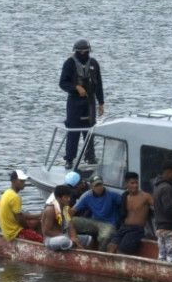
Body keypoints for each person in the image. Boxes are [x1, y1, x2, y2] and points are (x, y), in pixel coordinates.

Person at [59, 39, 105, 169]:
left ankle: (90, 158)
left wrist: (101, 102)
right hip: (74, 102)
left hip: (89, 102)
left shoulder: (94, 63)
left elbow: (99, 84)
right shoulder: (69, 63)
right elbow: (63, 83)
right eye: (81, 52)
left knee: (90, 129)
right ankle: (69, 159)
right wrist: (76, 88)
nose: (84, 54)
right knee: (73, 130)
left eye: (86, 52)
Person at [108, 172, 154, 255]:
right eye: (132, 183)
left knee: (121, 252)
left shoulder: (146, 197)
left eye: (136, 183)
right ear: (126, 184)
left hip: (136, 230)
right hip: (124, 228)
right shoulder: (125, 197)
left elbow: (159, 206)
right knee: (110, 247)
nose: (135, 185)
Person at [70, 174, 120, 250]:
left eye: (100, 184)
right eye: (96, 185)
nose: (99, 187)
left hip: (109, 223)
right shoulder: (87, 195)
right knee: (71, 221)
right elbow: (73, 210)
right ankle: (72, 244)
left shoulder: (113, 194)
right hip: (94, 221)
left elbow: (125, 204)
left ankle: (100, 254)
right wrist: (62, 220)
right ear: (91, 187)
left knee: (104, 237)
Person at [40, 185, 92, 251]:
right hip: (50, 239)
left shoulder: (65, 209)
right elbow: (47, 231)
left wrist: (74, 237)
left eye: (69, 196)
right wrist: (66, 238)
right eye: (66, 197)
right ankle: (73, 246)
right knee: (63, 241)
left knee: (89, 239)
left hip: (65, 236)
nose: (69, 199)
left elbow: (70, 226)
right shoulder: (51, 210)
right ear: (58, 198)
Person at [0, 170, 43, 242]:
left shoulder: (7, 193)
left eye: (24, 181)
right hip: (13, 233)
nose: (24, 184)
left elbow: (20, 214)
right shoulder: (15, 197)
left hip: (7, 230)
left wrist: (38, 216)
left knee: (38, 222)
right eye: (21, 181)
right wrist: (29, 228)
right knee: (41, 240)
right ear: (13, 181)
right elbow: (20, 221)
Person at [153, 161, 172, 262]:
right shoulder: (167, 187)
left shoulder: (157, 186)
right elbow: (169, 208)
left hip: (160, 227)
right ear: (168, 172)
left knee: (162, 257)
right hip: (170, 228)